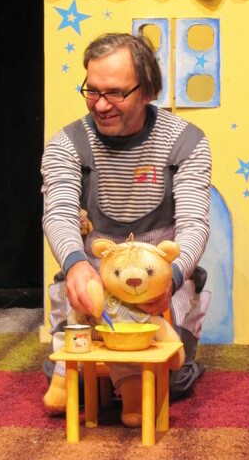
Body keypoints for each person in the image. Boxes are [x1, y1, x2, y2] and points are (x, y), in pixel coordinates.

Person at [41, 32, 211, 416]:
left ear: (148, 91)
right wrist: (76, 265)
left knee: (168, 380)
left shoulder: (186, 142)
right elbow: (59, 213)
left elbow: (194, 225)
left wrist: (171, 281)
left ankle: (167, 367)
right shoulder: (67, 144)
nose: (101, 105)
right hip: (95, 282)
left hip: (157, 285)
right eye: (92, 90)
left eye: (116, 93)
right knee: (72, 381)